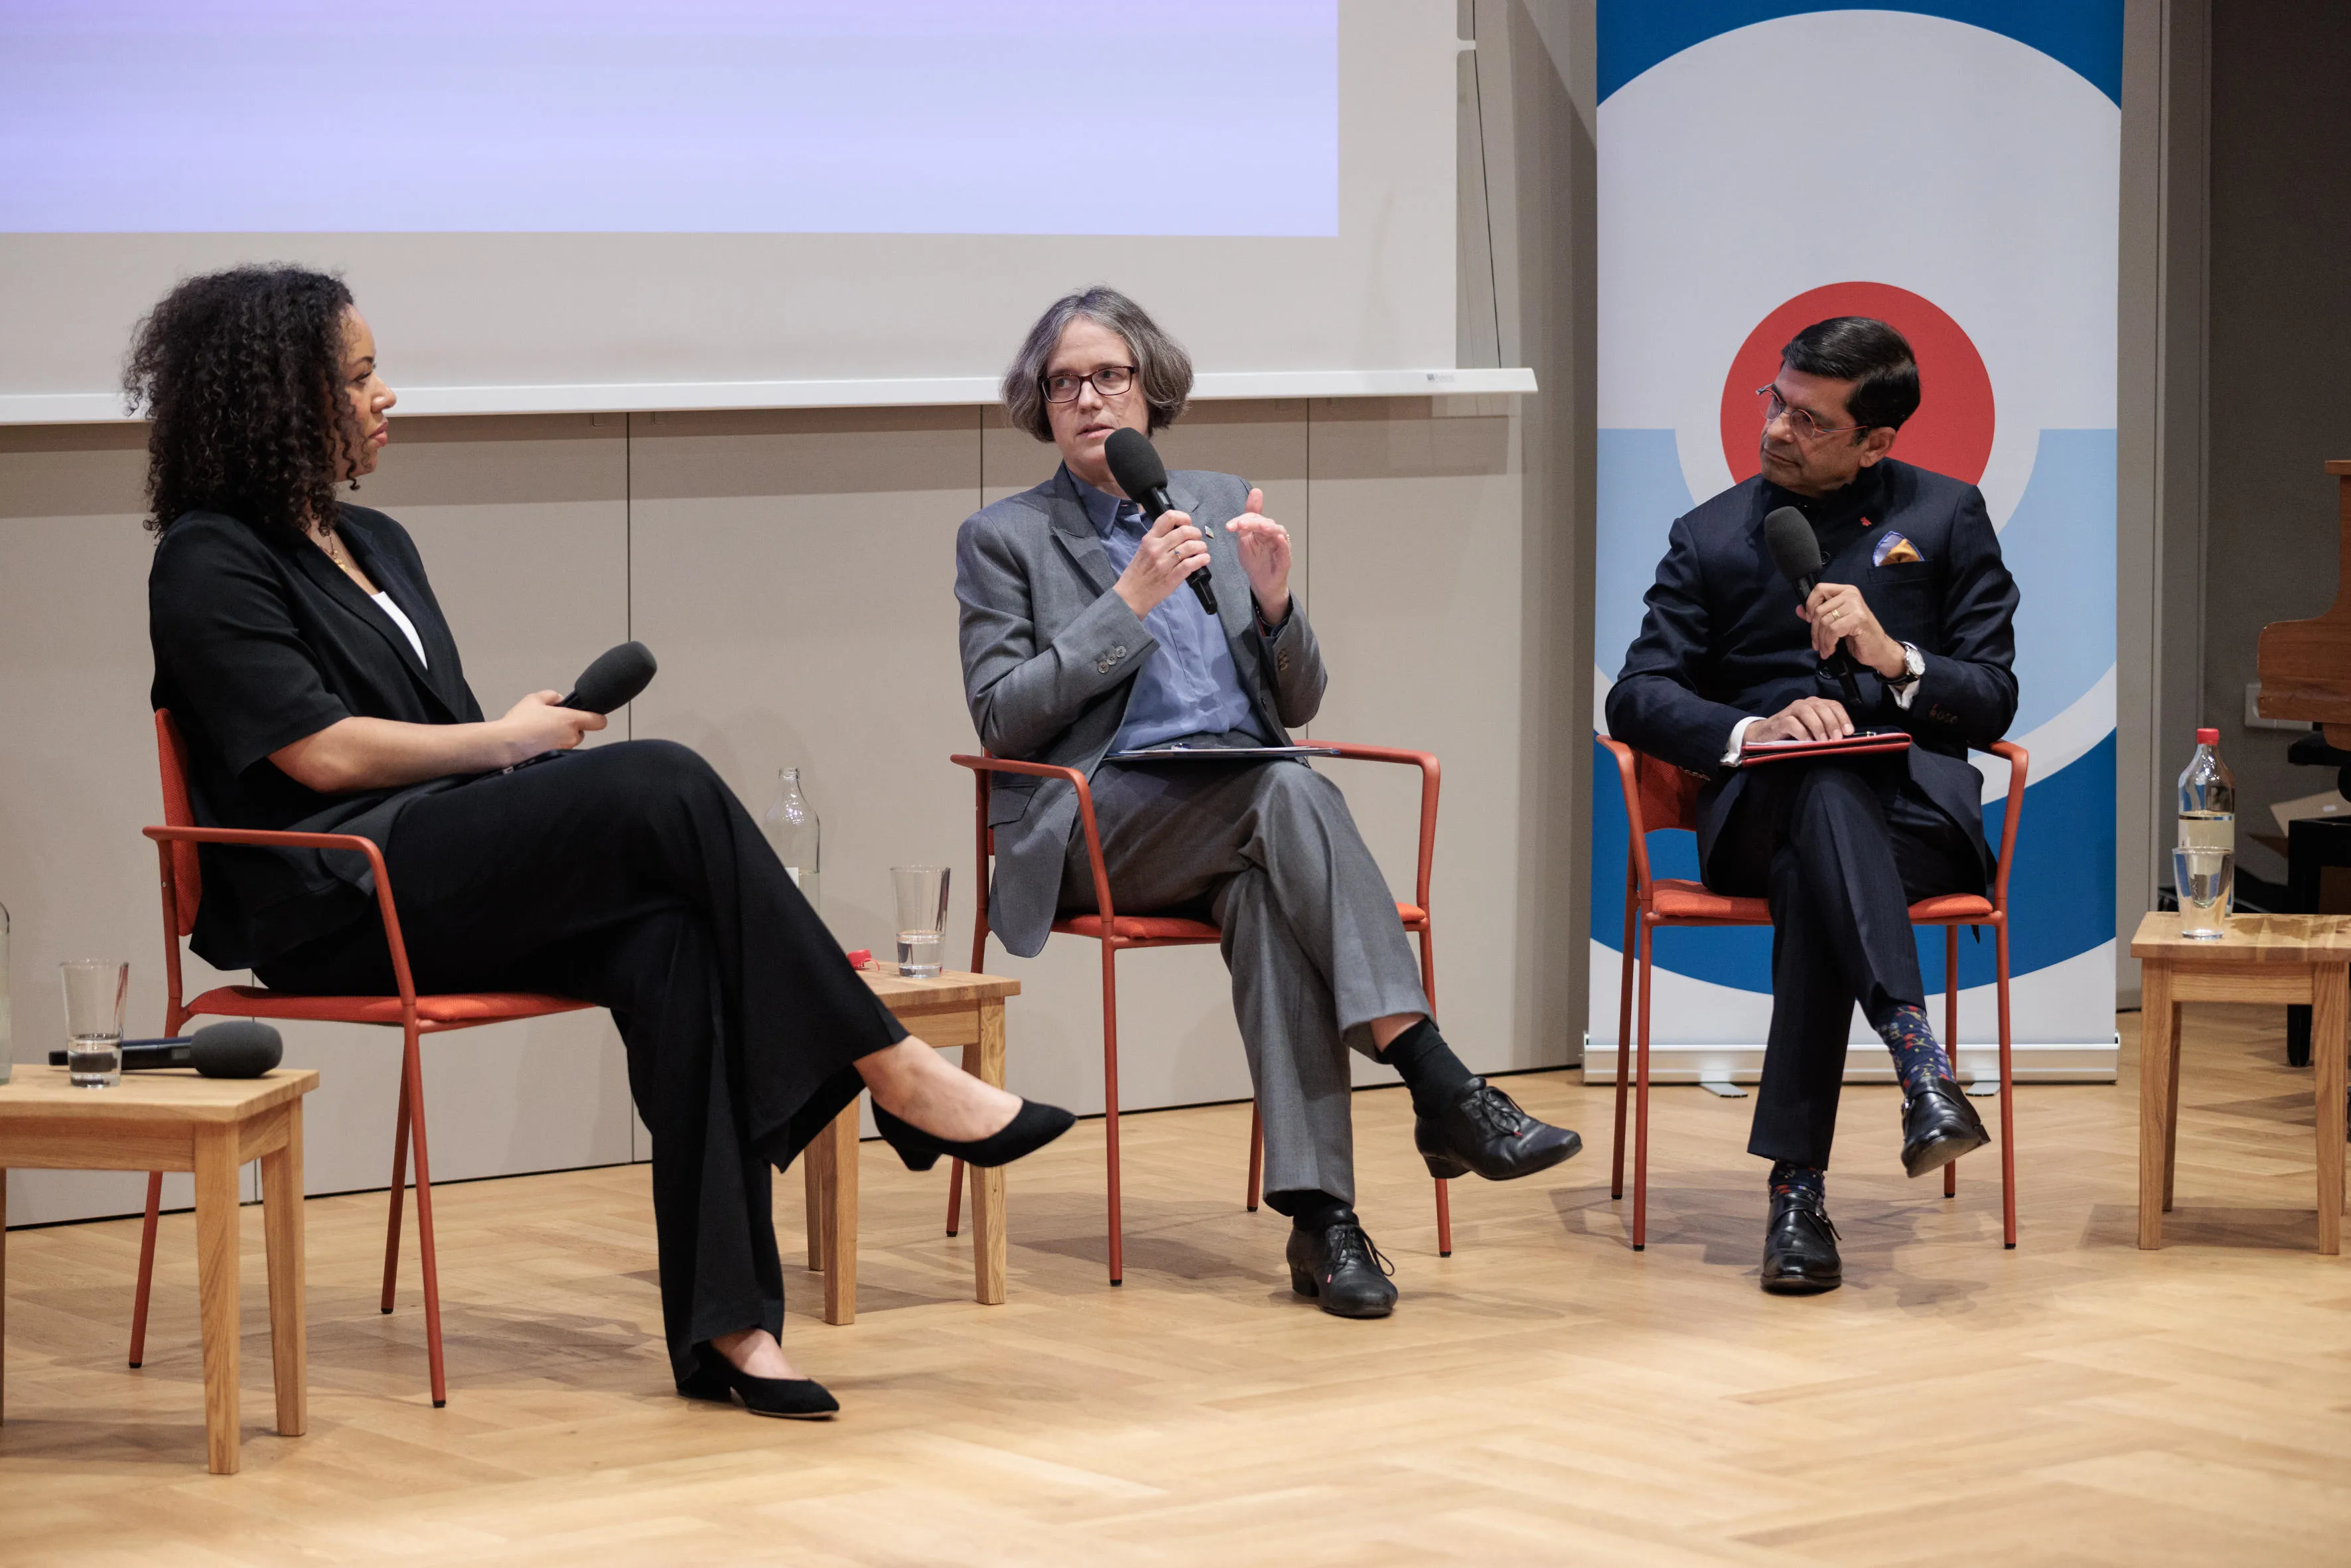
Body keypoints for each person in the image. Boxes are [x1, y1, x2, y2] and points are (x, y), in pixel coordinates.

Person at [133, 265, 1073, 1417]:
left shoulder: (376, 541)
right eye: (362, 375)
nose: (389, 397)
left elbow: (435, 738)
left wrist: (516, 749)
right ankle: (890, 1066)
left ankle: (732, 1330)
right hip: (334, 899)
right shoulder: (207, 556)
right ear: (281, 397)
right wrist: (499, 744)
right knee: (663, 775)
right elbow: (319, 756)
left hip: (427, 864)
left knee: (672, 939)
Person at [953, 286, 1580, 1319]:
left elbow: (1293, 701)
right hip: (1100, 818)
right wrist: (1126, 605)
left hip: (1242, 810)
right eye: (1064, 382)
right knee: (1288, 791)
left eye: (1108, 375)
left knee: (1270, 878)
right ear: (1041, 404)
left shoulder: (1212, 498)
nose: (1087, 398)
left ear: (1150, 387)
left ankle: (1320, 1219)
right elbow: (1002, 718)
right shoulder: (1004, 536)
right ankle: (1436, 1079)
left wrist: (1281, 603)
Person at [1606, 317, 2019, 1294]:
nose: (1779, 430)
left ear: (1876, 442)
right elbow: (1635, 693)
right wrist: (1754, 731)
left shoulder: (1946, 515)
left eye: (1809, 419)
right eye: (1775, 402)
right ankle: (1915, 1056)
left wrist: (1893, 658)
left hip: (1915, 822)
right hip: (1757, 808)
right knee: (1817, 784)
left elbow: (1994, 693)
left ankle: (1798, 1191)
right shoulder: (1709, 534)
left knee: (1821, 853)